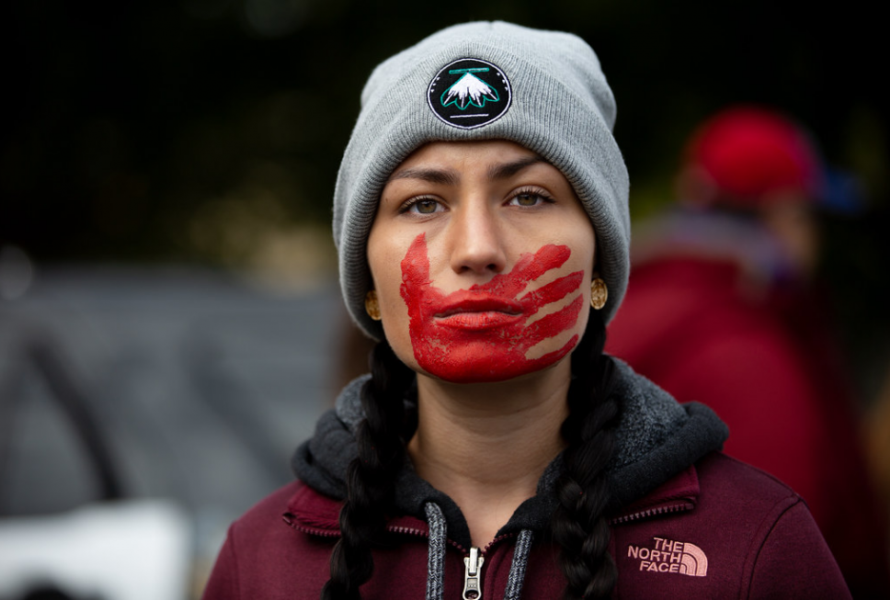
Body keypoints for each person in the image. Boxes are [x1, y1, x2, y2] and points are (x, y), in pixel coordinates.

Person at [201, 23, 850, 599]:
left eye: (530, 197)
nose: (478, 248)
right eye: (423, 203)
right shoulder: (260, 560)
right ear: (367, 282)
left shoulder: (756, 545)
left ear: (600, 264)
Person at [606, 106, 889, 596]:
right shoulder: (748, 347)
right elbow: (784, 547)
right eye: (810, 215)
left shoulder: (629, 307)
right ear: (786, 215)